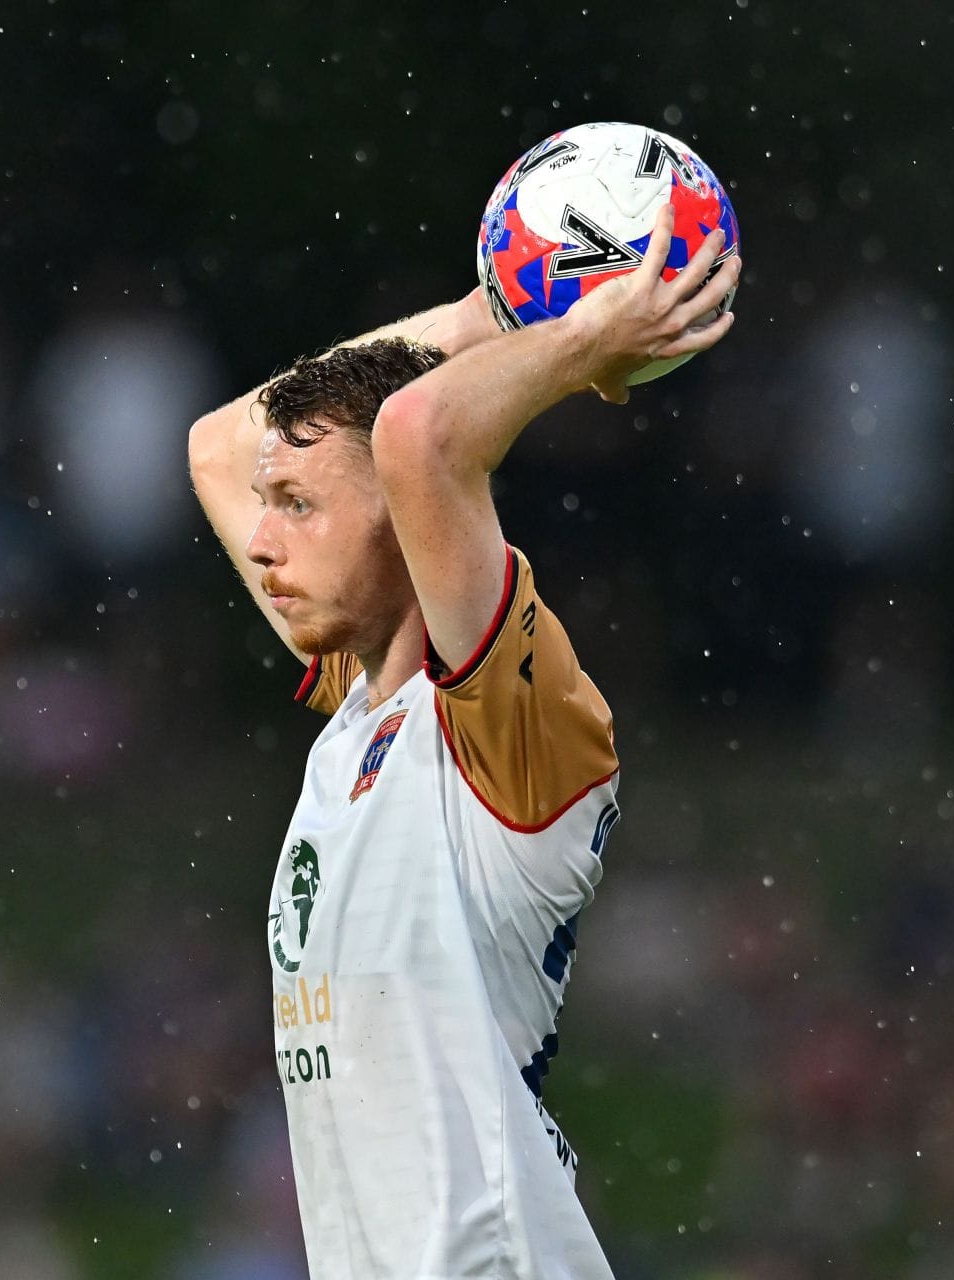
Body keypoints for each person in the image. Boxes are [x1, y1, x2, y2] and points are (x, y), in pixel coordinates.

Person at [187, 204, 739, 1278]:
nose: (260, 541)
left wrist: (582, 336)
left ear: (404, 515)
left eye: (297, 503)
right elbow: (219, 444)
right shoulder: (361, 711)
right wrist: (489, 312)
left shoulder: (501, 724)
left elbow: (419, 434)